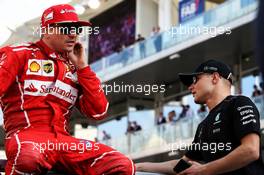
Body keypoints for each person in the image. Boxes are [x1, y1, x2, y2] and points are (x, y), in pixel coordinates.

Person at [0, 4, 135, 175]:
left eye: (76, 29)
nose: (73, 34)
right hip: (28, 138)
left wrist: (83, 67)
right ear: (47, 30)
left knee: (123, 165)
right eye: (66, 28)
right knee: (28, 159)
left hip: (64, 143)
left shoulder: (74, 68)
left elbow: (98, 112)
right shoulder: (19, 53)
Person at [136, 59, 264, 175]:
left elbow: (251, 150)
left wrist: (204, 169)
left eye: (195, 80)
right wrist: (137, 167)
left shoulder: (239, 103)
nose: (190, 87)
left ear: (214, 77)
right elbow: (181, 165)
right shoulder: (203, 126)